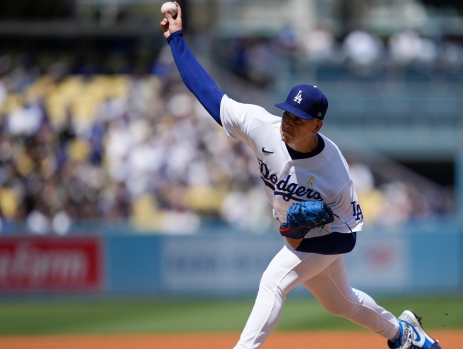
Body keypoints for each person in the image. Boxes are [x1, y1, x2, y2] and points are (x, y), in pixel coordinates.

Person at [159, 3, 441, 349]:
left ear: (317, 125)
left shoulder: (334, 171)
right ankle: (404, 334)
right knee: (340, 302)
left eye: (297, 119)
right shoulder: (261, 126)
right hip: (295, 232)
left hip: (324, 236)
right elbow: (207, 92)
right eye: (287, 114)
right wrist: (177, 40)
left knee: (273, 282)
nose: (287, 123)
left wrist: (299, 238)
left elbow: (348, 237)